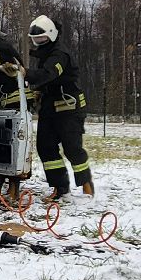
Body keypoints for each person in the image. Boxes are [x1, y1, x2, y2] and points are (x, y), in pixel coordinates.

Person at [26, 16, 93, 199]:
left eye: (42, 38)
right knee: (45, 147)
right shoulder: (46, 54)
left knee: (72, 148)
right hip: (50, 107)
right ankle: (59, 187)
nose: (39, 42)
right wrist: (38, 91)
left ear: (52, 35)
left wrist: (26, 73)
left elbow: (49, 73)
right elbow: (46, 80)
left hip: (69, 107)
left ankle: (86, 184)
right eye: (36, 39)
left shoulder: (59, 54)